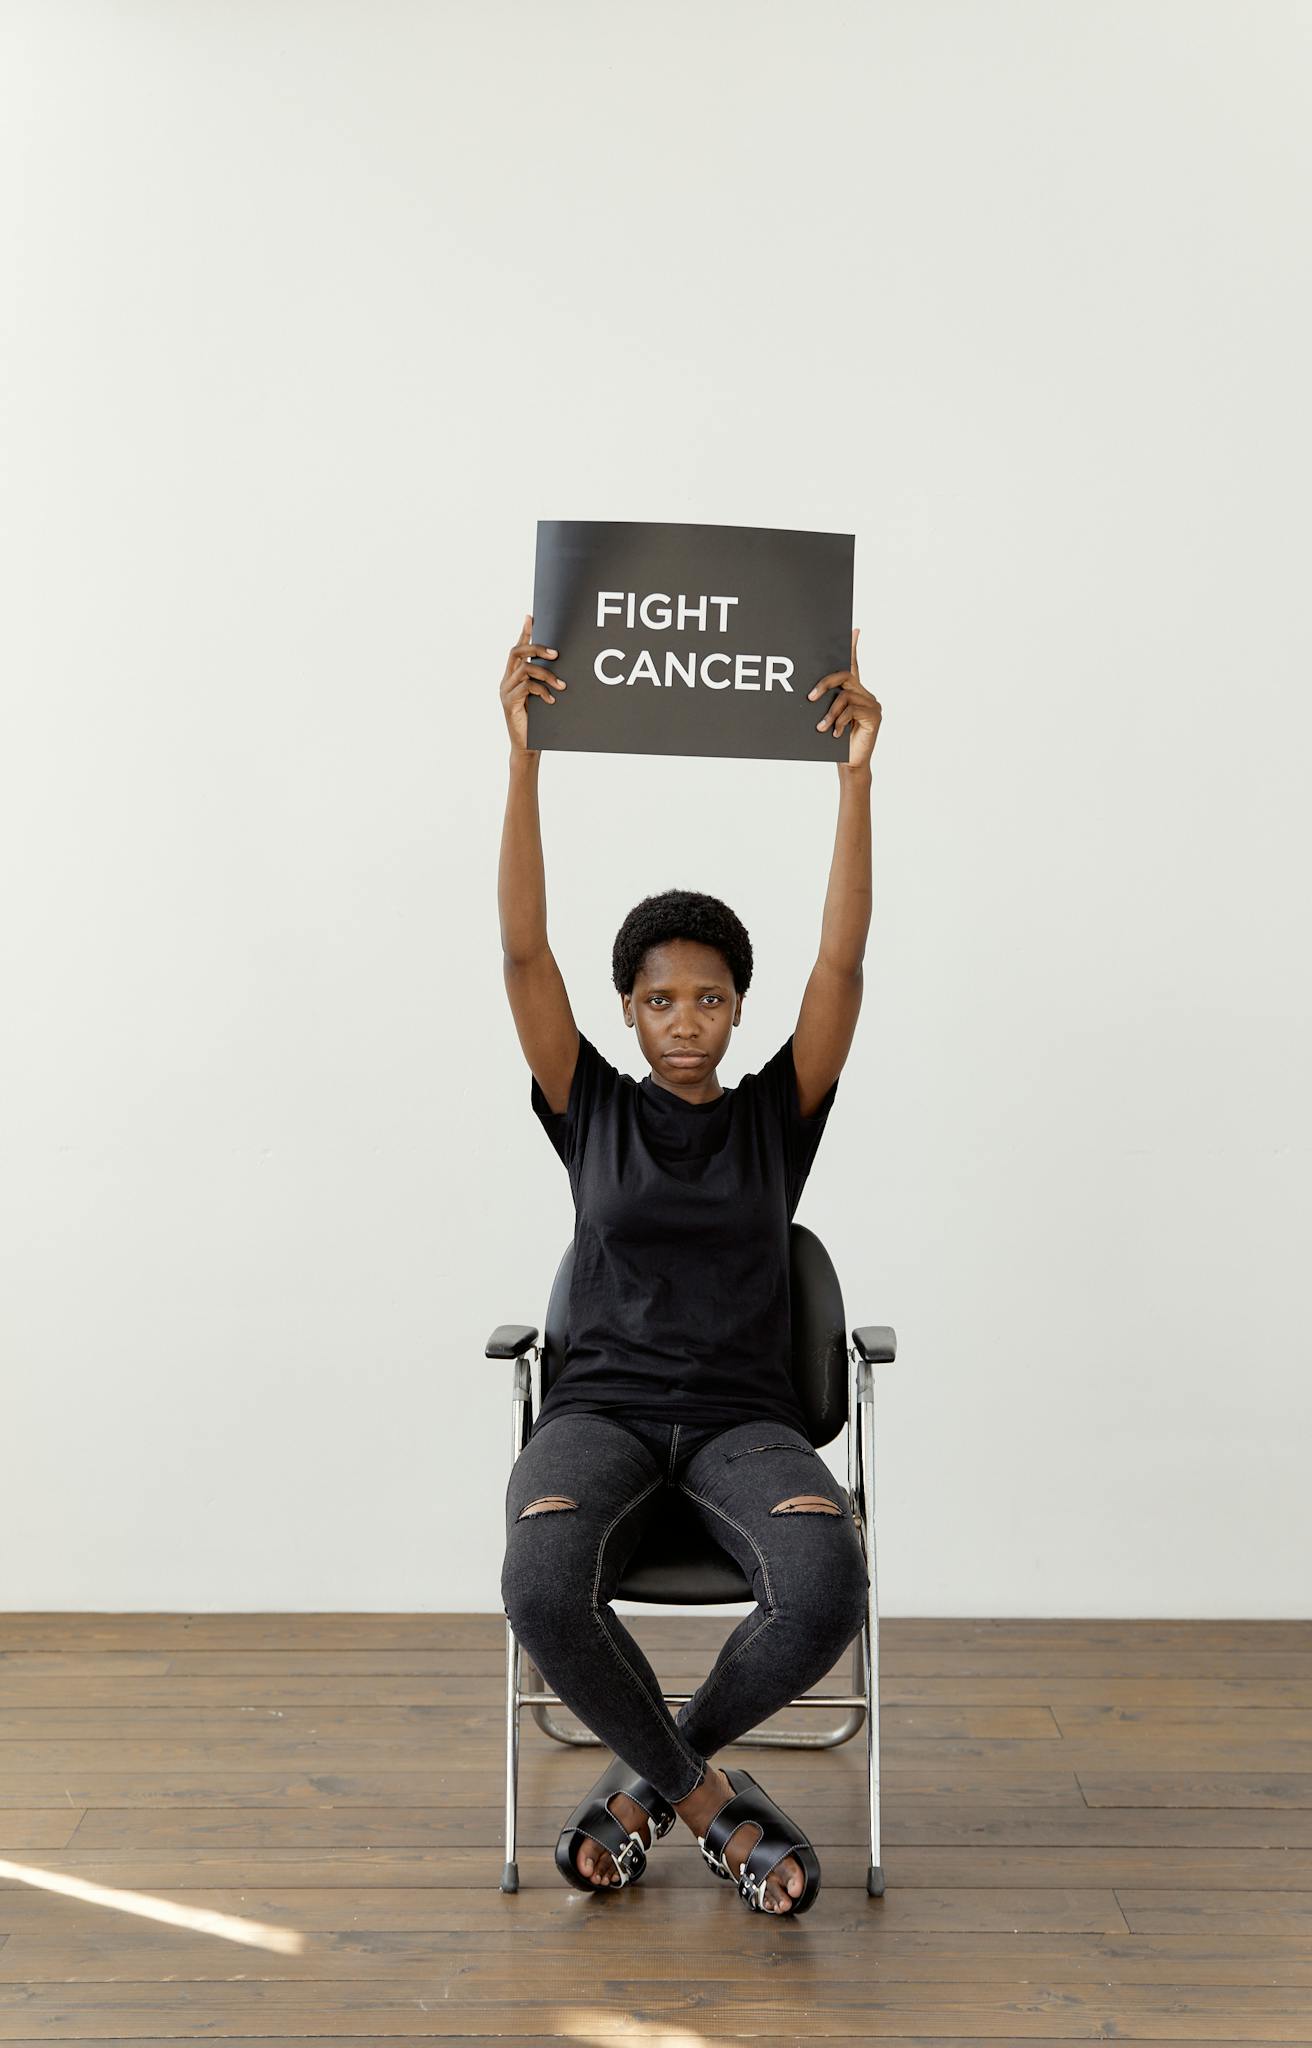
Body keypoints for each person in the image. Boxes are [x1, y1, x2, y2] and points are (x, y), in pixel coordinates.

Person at [496, 612, 881, 1915]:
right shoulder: (588, 1105)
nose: (683, 1020)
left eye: (707, 996)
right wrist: (523, 760)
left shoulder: (777, 1117)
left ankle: (640, 1793)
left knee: (825, 1583)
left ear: (736, 1006)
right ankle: (712, 1805)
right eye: (659, 998)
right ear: (627, 1008)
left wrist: (855, 777)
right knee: (538, 1580)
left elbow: (842, 961)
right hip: (599, 1411)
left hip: (739, 1424)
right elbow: (518, 954)